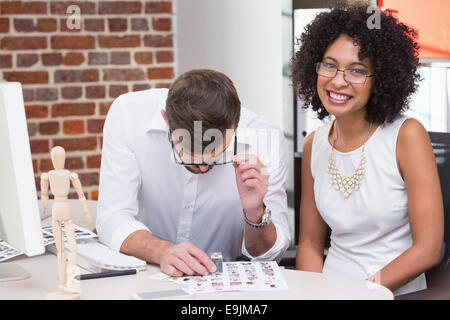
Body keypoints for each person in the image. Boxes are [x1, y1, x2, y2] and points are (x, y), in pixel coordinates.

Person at [292, 2, 444, 295]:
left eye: (357, 70)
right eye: (329, 64)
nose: (338, 80)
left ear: (381, 81)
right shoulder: (315, 143)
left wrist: (362, 292)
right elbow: (310, 243)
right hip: (331, 291)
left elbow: (429, 248)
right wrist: (310, 295)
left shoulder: (406, 135)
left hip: (393, 292)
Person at [96, 69, 290, 277]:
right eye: (189, 157)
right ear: (166, 121)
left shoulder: (266, 139)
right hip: (147, 274)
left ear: (236, 125)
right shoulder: (129, 114)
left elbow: (268, 256)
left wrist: (255, 213)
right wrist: (161, 250)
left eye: (217, 156)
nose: (204, 168)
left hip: (223, 285)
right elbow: (112, 216)